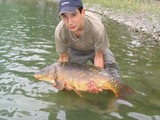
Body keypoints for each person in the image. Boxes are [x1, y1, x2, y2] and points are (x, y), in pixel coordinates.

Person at [54, 0, 121, 92]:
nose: (70, 22)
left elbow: (99, 56)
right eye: (65, 17)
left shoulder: (97, 28)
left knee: (113, 77)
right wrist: (60, 79)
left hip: (96, 50)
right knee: (66, 85)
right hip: (75, 50)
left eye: (74, 15)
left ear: (82, 13)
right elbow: (63, 58)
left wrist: (97, 81)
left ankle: (117, 98)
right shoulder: (60, 31)